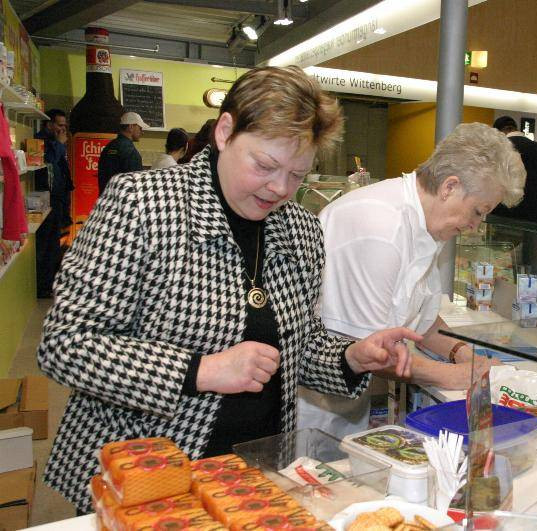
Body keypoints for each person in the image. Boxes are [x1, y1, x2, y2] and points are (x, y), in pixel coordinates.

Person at [37, 66, 420, 513]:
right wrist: (201, 371)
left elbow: (297, 343)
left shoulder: (300, 229)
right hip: (149, 479)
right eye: (265, 165)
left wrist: (351, 357)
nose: (280, 188)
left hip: (253, 476)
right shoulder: (142, 203)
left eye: (297, 174)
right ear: (224, 132)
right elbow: (64, 344)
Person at [297, 122, 526, 438]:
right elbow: (375, 355)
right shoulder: (381, 227)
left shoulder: (426, 223)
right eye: (477, 211)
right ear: (449, 187)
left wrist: (460, 351)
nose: (476, 225)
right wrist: (456, 375)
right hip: (314, 409)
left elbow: (420, 318)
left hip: (349, 404)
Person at [490, 115, 537, 312]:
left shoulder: (498, 152)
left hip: (502, 225)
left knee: (503, 273)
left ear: (498, 133)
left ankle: (501, 313)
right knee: (535, 277)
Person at [34, 109, 73, 298]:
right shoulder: (43, 142)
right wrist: (59, 144)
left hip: (56, 202)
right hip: (47, 202)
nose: (63, 129)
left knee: (53, 245)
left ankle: (49, 284)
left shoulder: (55, 143)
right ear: (49, 125)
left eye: (65, 126)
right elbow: (49, 163)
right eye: (59, 125)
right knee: (46, 246)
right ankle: (43, 286)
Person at [97, 111, 147, 195]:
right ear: (131, 127)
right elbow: (135, 183)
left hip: (106, 200)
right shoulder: (130, 151)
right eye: (140, 128)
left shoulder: (108, 147)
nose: (142, 132)